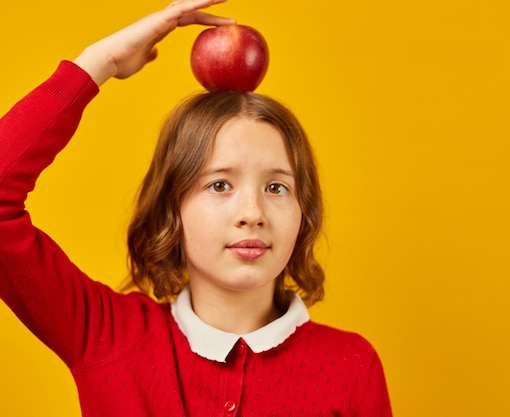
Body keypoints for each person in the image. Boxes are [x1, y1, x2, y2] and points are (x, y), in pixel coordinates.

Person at [0, 0, 392, 415]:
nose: (252, 212)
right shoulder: (105, 336)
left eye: (277, 187)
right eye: (220, 184)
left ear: (304, 213)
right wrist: (102, 61)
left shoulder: (351, 366)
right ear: (173, 208)